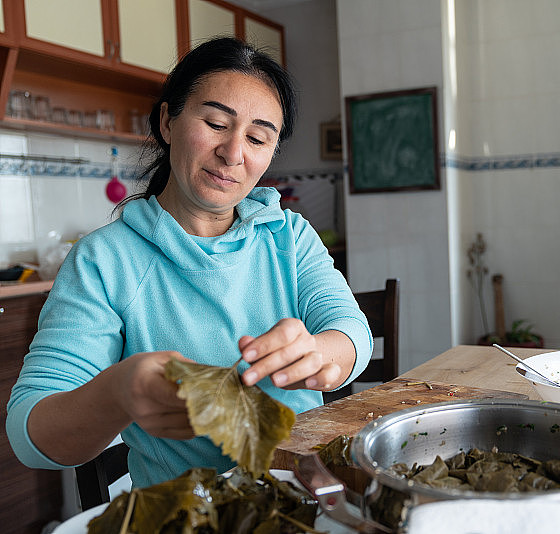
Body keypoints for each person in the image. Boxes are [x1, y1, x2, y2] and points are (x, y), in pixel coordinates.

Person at [6, 37, 372, 488]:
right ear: (167, 120)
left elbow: (352, 332)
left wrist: (320, 354)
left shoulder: (288, 235)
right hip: (184, 510)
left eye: (258, 137)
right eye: (216, 122)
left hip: (303, 491)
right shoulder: (105, 260)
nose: (234, 153)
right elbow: (31, 434)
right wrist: (117, 392)